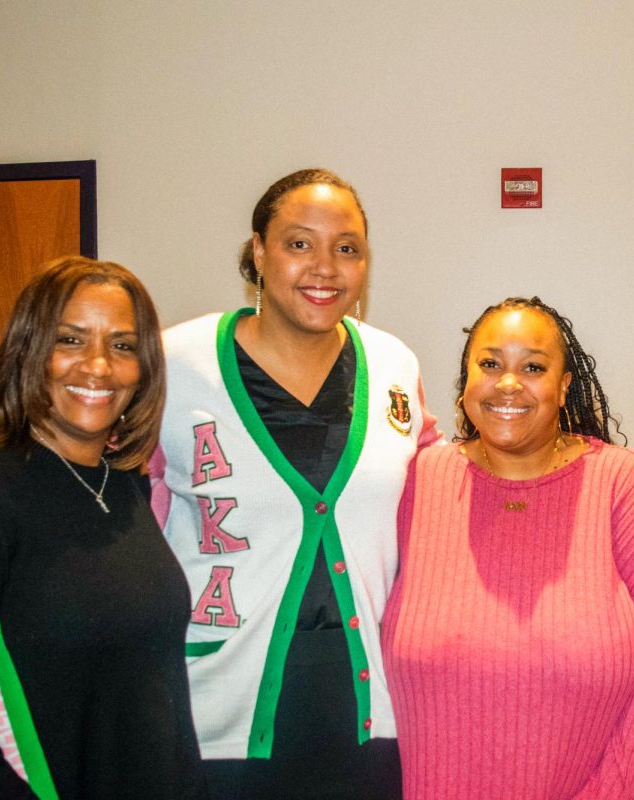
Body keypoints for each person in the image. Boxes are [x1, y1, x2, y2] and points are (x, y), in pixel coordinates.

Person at [153, 168, 438, 798]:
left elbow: (437, 494)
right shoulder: (174, 364)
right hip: (217, 710)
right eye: (299, 243)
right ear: (258, 251)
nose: (325, 267)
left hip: (368, 713)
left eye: (347, 247)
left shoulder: (395, 365)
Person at [0, 256, 204, 799]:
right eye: (70, 340)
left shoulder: (124, 486)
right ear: (29, 351)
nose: (98, 367)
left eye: (122, 345)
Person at [382, 297, 634, 800]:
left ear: (563, 386)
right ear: (466, 379)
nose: (509, 383)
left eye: (533, 367)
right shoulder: (415, 481)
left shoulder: (622, 482)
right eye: (490, 364)